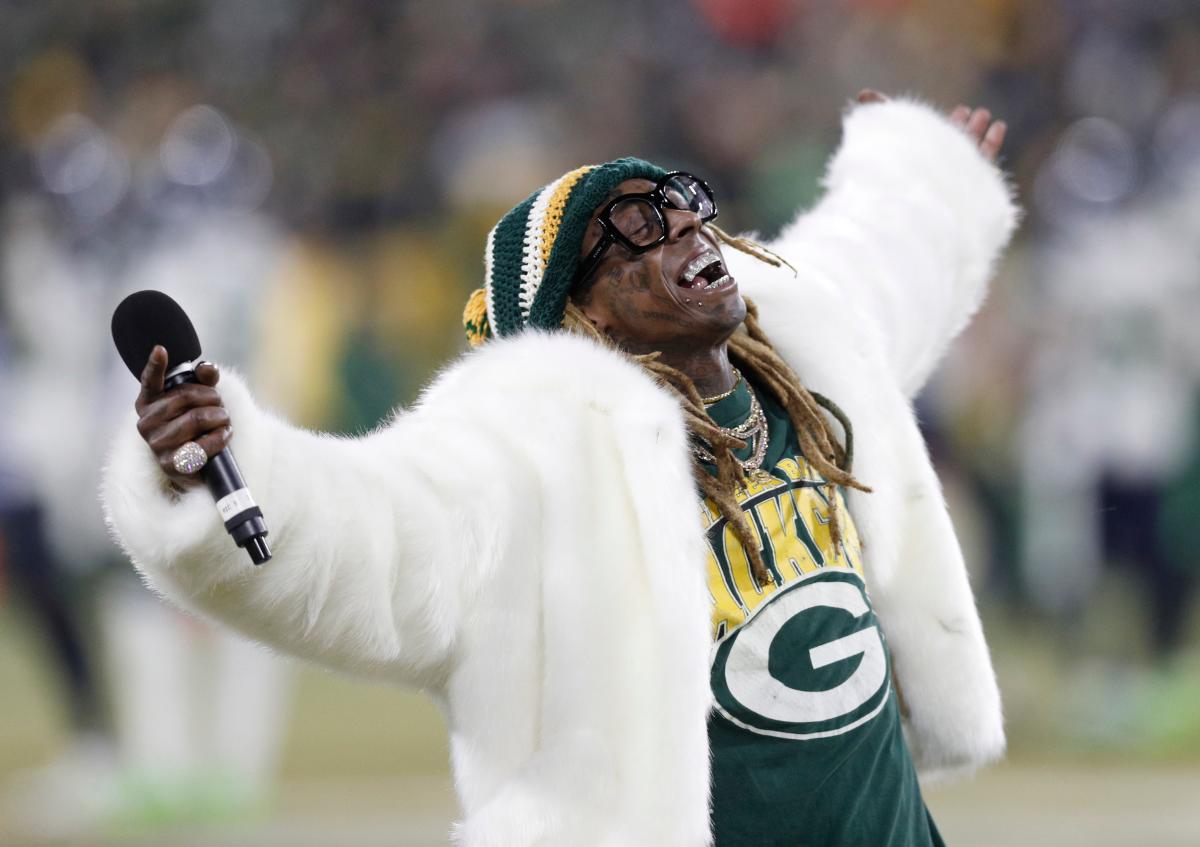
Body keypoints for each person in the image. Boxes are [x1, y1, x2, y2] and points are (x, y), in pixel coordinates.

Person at [101, 91, 1016, 845]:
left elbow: (882, 258)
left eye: (686, 203)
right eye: (635, 228)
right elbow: (377, 533)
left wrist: (926, 176)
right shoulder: (535, 457)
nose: (686, 227)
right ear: (579, 316)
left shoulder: (805, 354)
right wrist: (218, 468)